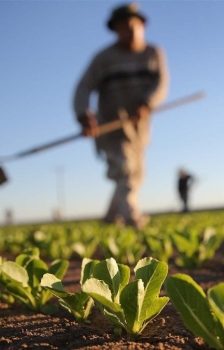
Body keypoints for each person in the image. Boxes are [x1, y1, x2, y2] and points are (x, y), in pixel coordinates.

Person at [73, 3, 169, 229]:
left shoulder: (153, 54)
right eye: (124, 27)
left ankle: (110, 219)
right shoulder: (103, 58)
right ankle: (132, 219)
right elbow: (83, 87)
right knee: (124, 171)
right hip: (111, 127)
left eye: (134, 26)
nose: (130, 31)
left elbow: (161, 83)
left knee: (135, 174)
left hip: (139, 129)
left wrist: (147, 102)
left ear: (142, 25)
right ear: (115, 30)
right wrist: (83, 114)